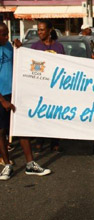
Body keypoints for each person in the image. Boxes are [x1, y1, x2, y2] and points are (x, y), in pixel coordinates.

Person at [0, 22, 51, 180]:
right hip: (2, 97)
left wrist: (19, 49)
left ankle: (30, 164)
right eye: (3, 34)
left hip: (14, 94)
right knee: (1, 132)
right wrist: (2, 101)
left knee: (21, 127)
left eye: (7, 33)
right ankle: (7, 164)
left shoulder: (9, 46)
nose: (7, 36)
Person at [31, 20, 64, 153]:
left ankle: (54, 141)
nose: (39, 32)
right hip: (40, 87)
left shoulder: (59, 47)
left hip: (55, 88)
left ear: (49, 30)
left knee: (54, 115)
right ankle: (39, 141)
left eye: (42, 30)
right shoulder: (34, 47)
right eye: (38, 30)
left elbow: (64, 67)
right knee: (40, 114)